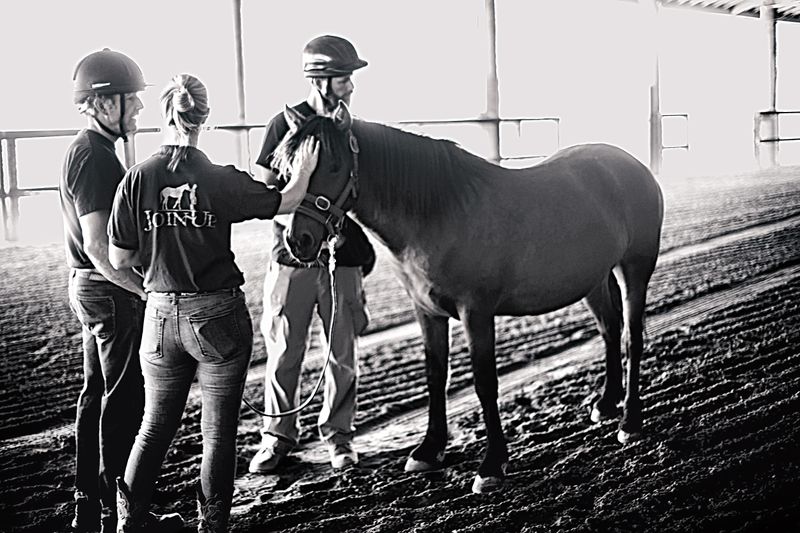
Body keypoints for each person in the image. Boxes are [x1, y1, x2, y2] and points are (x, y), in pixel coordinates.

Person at [107, 73, 319, 532]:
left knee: (153, 426)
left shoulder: (137, 177)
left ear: (164, 115)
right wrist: (304, 168)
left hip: (160, 315)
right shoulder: (218, 178)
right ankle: (213, 527)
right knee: (217, 435)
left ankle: (131, 522)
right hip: (217, 315)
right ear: (206, 118)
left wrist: (156, 278)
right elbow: (285, 201)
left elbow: (118, 256)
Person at [59, 48, 176, 533]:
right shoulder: (94, 157)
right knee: (125, 401)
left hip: (88, 289)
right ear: (106, 103)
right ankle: (123, 514)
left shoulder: (92, 150)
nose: (141, 110)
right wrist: (146, 291)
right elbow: (98, 245)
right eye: (134, 100)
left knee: (97, 397)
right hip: (106, 290)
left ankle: (90, 509)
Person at [248, 35, 375, 475]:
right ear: (322, 79)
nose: (352, 86)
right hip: (292, 257)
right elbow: (264, 191)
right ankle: (276, 438)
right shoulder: (281, 126)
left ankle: (340, 436)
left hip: (343, 259)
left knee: (343, 351)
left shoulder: (352, 130)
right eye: (346, 78)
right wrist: (295, 227)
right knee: (285, 350)